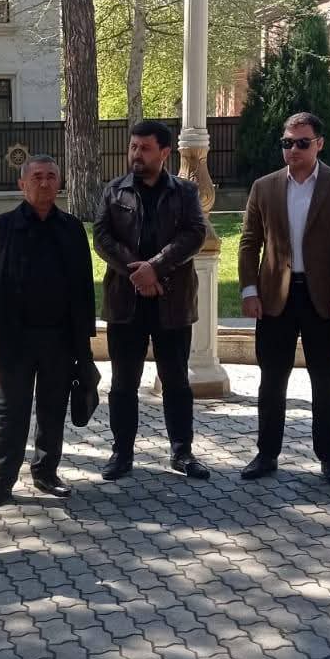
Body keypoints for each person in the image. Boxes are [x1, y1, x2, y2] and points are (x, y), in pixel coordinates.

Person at [0, 155, 97, 509]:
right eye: (37, 177)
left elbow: (84, 287)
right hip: (13, 337)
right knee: (11, 413)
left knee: (52, 411)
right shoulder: (1, 228)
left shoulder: (72, 228)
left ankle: (46, 472)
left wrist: (84, 337)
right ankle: (1, 481)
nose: (44, 183)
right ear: (22, 184)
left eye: (51, 176)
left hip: (60, 339)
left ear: (60, 183)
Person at [94, 119, 209, 482]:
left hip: (172, 302)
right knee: (123, 383)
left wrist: (155, 268)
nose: (136, 154)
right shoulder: (114, 191)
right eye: (133, 147)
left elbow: (194, 234)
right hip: (125, 303)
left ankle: (182, 452)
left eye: (145, 148)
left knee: (176, 381)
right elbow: (102, 237)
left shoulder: (185, 192)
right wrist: (138, 272)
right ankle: (121, 453)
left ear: (164, 153)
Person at [238, 110, 330, 484]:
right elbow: (249, 243)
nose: (294, 149)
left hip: (322, 298)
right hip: (274, 298)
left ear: (319, 144)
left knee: (325, 380)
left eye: (302, 143)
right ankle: (266, 454)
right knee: (271, 380)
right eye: (287, 143)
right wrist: (249, 290)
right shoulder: (264, 187)